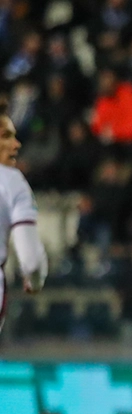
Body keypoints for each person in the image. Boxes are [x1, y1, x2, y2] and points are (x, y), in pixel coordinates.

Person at [0, 104, 47, 335]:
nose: (16, 145)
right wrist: (36, 281)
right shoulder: (12, 181)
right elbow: (31, 261)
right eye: (6, 137)